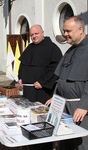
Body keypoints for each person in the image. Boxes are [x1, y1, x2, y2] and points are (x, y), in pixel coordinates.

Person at [46, 16, 88, 150]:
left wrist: (84, 105)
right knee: (66, 141)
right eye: (64, 31)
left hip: (79, 108)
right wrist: (55, 96)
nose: (65, 34)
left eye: (68, 31)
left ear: (80, 29)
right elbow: (61, 78)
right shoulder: (70, 49)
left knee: (81, 143)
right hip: (64, 105)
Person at [18, 24, 62, 104]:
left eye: (36, 33)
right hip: (28, 90)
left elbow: (55, 69)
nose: (34, 36)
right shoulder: (29, 47)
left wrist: (43, 82)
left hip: (43, 90)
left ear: (43, 33)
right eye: (32, 35)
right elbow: (22, 64)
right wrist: (20, 78)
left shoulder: (52, 48)